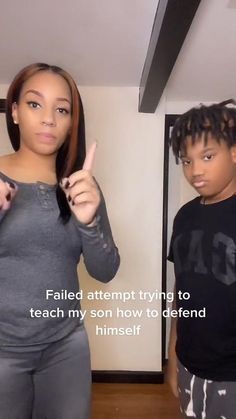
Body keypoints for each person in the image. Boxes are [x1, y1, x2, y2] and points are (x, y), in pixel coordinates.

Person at [0, 62, 120, 419]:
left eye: (62, 109)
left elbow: (106, 270)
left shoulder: (82, 187)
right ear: (16, 112)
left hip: (67, 347)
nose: (49, 118)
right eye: (35, 104)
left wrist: (89, 221)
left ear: (71, 124)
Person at [167, 100, 236, 418]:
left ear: (234, 152)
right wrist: (172, 356)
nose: (195, 171)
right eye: (186, 160)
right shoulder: (184, 217)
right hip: (189, 366)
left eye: (207, 156)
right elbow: (181, 292)